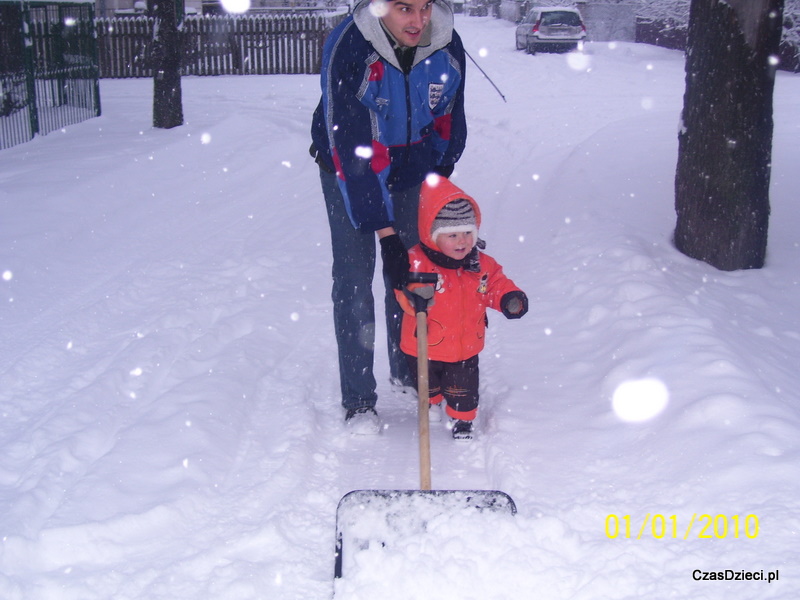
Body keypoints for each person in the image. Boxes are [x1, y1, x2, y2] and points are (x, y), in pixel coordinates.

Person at [310, 0, 467, 434]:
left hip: (410, 165)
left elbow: (449, 120)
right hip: (347, 166)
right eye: (403, 9)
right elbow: (352, 149)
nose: (418, 21)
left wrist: (437, 179)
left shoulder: (446, 44)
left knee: (411, 273)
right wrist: (385, 233)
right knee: (355, 277)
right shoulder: (351, 47)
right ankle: (359, 400)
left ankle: (409, 371)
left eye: (424, 7)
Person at [396, 176, 528, 440]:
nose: (462, 241)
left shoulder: (481, 264)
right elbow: (400, 290)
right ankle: (431, 401)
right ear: (432, 236)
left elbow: (495, 284)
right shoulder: (415, 262)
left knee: (463, 388)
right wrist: (414, 296)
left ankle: (463, 420)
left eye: (468, 233)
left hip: (465, 346)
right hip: (424, 343)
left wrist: (508, 298)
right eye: (453, 235)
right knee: (427, 383)